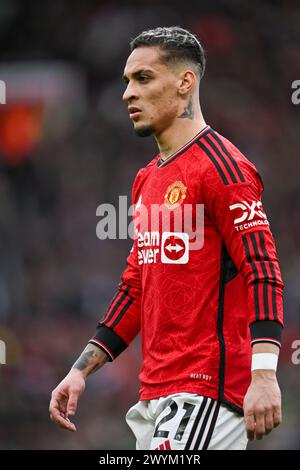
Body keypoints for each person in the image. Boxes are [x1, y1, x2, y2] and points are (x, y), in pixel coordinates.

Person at [49, 26, 284, 450]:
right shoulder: (147, 180)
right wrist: (81, 369)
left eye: (143, 78)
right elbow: (137, 285)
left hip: (204, 391)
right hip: (157, 395)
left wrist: (264, 373)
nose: (127, 94)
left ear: (185, 82)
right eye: (126, 82)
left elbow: (262, 269)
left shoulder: (224, 168)